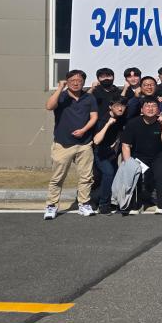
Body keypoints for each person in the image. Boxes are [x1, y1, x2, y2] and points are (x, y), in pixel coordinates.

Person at [44, 70, 98, 219]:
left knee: (86, 177)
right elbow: (49, 106)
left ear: (83, 82)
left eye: (79, 80)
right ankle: (51, 206)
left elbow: (94, 117)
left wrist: (84, 130)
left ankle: (84, 203)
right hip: (63, 144)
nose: (76, 83)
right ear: (67, 82)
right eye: (72, 80)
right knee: (57, 178)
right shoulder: (61, 96)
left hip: (84, 143)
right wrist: (60, 88)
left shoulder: (89, 97)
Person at [121, 96, 162, 213]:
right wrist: (128, 163)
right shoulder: (133, 123)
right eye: (147, 106)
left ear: (158, 110)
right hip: (139, 156)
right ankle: (137, 205)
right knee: (135, 176)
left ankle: (161, 205)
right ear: (141, 110)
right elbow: (125, 145)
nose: (150, 108)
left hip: (159, 155)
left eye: (154, 106)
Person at [91, 96, 126, 215]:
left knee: (113, 177)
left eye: (122, 106)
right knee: (108, 173)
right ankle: (103, 204)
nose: (120, 108)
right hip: (100, 153)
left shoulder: (121, 118)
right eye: (117, 106)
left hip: (111, 154)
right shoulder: (103, 119)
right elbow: (96, 140)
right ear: (110, 107)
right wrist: (108, 124)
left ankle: (97, 199)